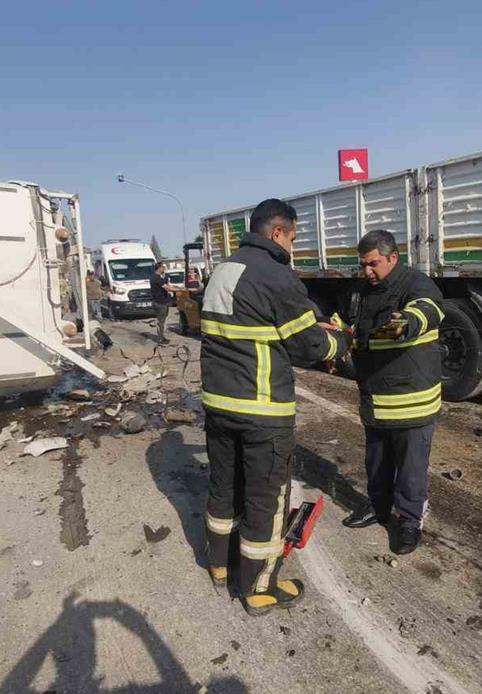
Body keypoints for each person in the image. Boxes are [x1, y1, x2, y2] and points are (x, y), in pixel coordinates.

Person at [200, 198, 350, 616]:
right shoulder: (276, 275)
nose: (293, 247)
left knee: (224, 488)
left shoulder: (223, 270)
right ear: (278, 232)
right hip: (262, 410)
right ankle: (260, 588)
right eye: (293, 238)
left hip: (219, 405)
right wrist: (341, 340)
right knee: (267, 499)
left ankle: (219, 565)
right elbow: (311, 344)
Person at [337, 229, 445, 555]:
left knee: (411, 470)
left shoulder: (416, 284)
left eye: (374, 264)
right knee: (377, 462)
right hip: (374, 399)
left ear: (393, 258)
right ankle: (378, 507)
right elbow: (341, 321)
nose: (367, 271)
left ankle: (409, 521)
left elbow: (426, 312)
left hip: (411, 401)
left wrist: (400, 324)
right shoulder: (359, 290)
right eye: (363, 265)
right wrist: (330, 333)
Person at [149, 262, 174, 344]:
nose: (164, 269)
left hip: (160, 301)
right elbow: (167, 288)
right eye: (163, 267)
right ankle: (160, 338)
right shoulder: (156, 278)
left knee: (162, 320)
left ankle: (161, 337)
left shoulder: (156, 277)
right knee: (161, 321)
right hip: (160, 302)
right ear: (159, 268)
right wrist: (179, 289)